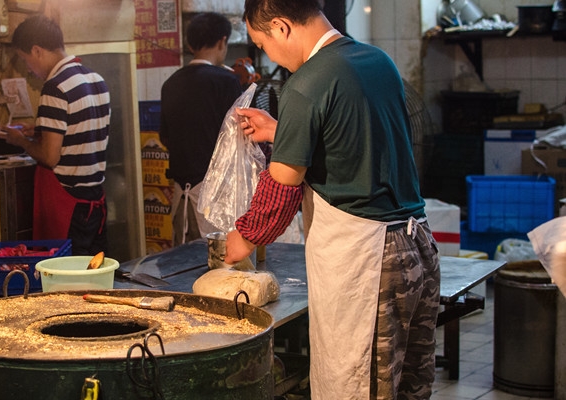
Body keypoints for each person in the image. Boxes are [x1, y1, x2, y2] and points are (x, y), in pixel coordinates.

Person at [224, 1, 440, 399]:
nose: (268, 55)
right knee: (410, 387)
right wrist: (282, 130)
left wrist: (243, 237)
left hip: (369, 262)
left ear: (280, 27)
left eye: (263, 44)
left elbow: (282, 188)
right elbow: (355, 137)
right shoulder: (376, 61)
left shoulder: (306, 83)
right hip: (418, 248)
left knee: (360, 388)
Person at [0, 15, 109, 256]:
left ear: (37, 50)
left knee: (66, 283)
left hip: (69, 206)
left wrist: (20, 140)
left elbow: (49, 157)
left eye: (26, 60)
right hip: (95, 201)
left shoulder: (55, 86)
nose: (29, 69)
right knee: (93, 275)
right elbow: (81, 129)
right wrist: (39, 130)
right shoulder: (96, 80)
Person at [159, 12, 243, 245]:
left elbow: (165, 137)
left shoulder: (170, 83)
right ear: (222, 42)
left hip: (180, 197)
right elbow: (239, 140)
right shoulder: (227, 81)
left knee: (184, 263)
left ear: (189, 44)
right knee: (219, 270)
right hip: (216, 199)